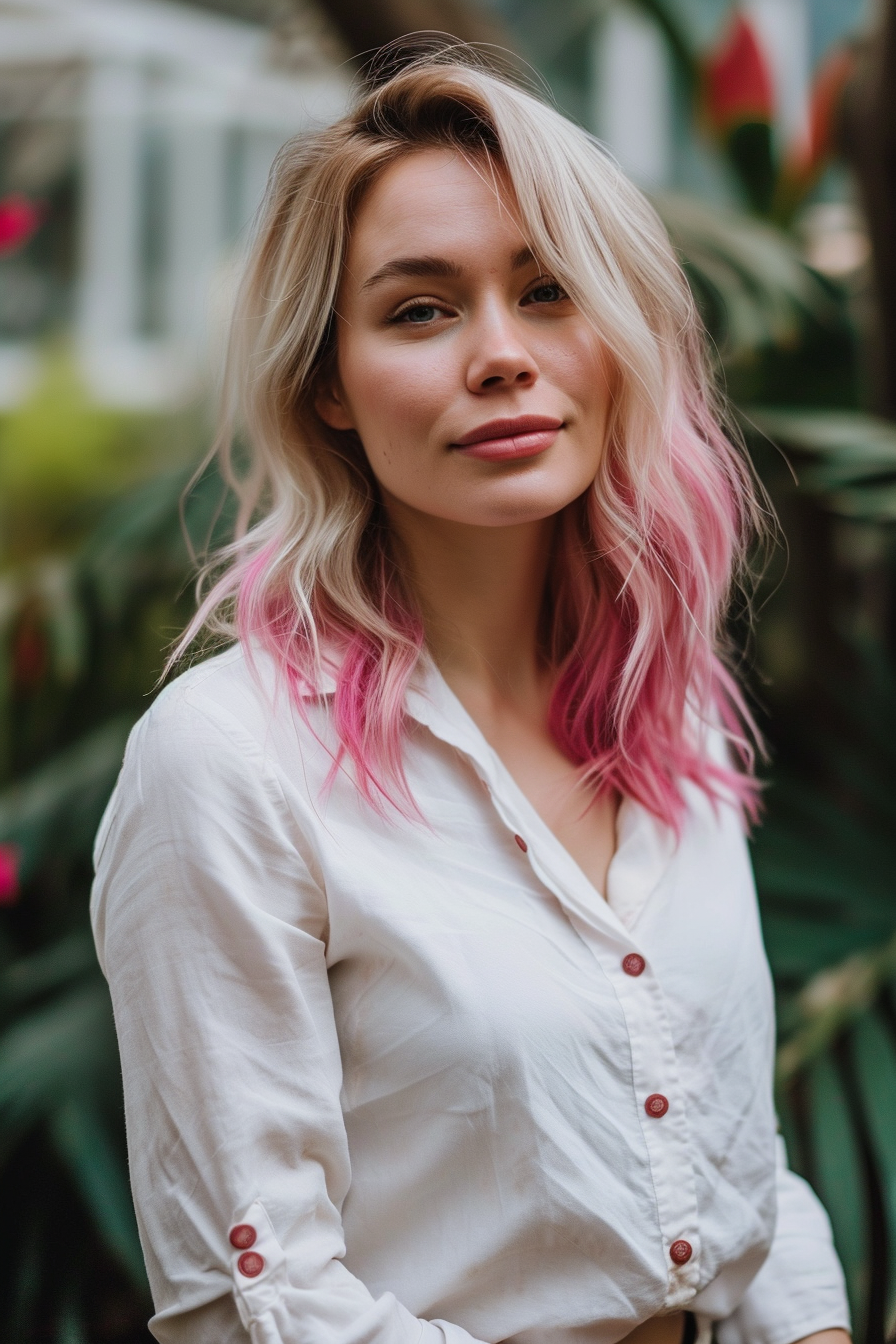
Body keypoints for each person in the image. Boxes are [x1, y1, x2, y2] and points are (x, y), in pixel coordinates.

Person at [91, 46, 852, 1344]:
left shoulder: (674, 718)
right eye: (421, 310)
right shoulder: (226, 765)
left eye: (549, 291)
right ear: (327, 380)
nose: (501, 356)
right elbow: (254, 1298)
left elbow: (740, 1163)